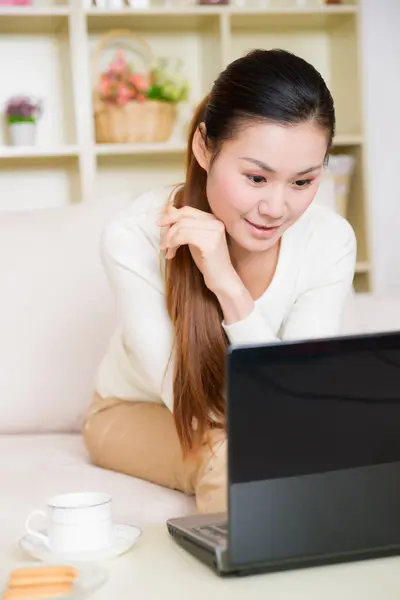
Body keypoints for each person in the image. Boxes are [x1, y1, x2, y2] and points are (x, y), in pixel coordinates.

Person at [83, 48, 356, 514]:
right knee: (237, 456)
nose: (276, 208)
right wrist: (222, 279)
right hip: (136, 412)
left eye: (302, 182)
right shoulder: (134, 236)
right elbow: (199, 405)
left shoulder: (330, 239)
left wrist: (227, 284)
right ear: (204, 147)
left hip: (260, 416)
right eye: (256, 177)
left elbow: (295, 395)